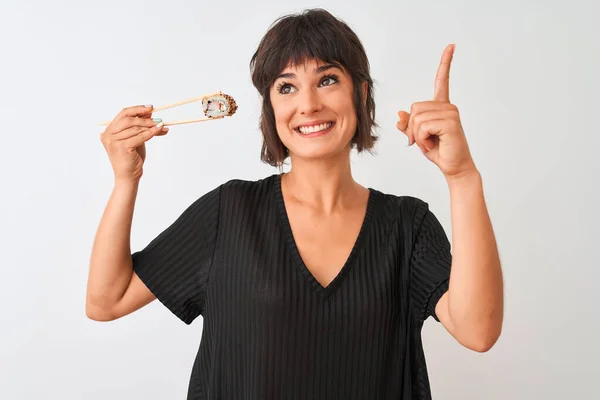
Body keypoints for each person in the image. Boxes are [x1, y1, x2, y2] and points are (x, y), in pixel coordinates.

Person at [86, 8, 503, 400]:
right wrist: (127, 180)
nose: (308, 105)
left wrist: (462, 177)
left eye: (327, 80)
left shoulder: (406, 225)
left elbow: (478, 331)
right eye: (287, 87)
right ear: (271, 107)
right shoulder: (228, 212)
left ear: (359, 92)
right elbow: (107, 300)